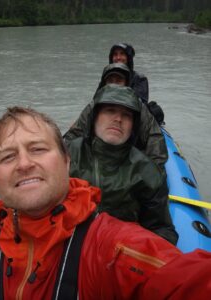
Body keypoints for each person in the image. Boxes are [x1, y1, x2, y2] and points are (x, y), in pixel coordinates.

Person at [0, 106, 211, 300]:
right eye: (7, 157)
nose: (23, 163)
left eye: (38, 149)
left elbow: (186, 281)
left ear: (67, 161)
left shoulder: (115, 249)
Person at [67, 84, 177, 245]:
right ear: (94, 116)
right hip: (67, 246)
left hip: (117, 252)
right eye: (110, 110)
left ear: (133, 126)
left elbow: (161, 229)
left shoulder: (146, 170)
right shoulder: (67, 154)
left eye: (126, 115)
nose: (118, 119)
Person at [63, 63, 168, 172]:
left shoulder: (139, 107)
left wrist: (150, 171)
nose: (114, 85)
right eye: (110, 81)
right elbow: (74, 134)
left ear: (126, 84)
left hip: (128, 165)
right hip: (96, 162)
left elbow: (155, 140)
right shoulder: (94, 105)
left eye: (118, 81)